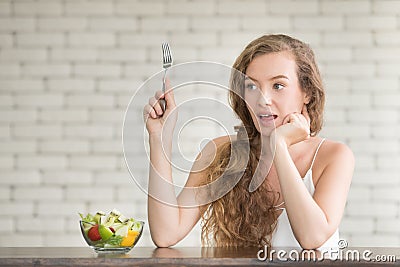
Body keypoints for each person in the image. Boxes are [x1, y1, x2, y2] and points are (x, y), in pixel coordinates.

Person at [143, 34, 354, 249]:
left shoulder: (334, 156)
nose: (263, 99)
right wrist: (159, 137)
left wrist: (278, 145)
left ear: (306, 92)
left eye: (278, 86)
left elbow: (312, 238)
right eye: (252, 87)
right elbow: (166, 234)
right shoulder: (220, 153)